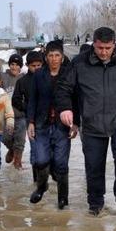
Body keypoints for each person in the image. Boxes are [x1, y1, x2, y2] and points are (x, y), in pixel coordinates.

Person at [55, 26, 116, 216]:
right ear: (93, 45)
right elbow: (64, 88)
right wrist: (66, 109)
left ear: (114, 45)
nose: (104, 52)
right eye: (99, 48)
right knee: (94, 163)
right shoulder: (80, 63)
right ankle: (96, 202)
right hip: (91, 121)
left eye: (107, 48)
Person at [27, 40, 78, 209]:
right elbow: (32, 100)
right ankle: (41, 187)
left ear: (62, 57)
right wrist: (30, 122)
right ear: (46, 57)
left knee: (61, 163)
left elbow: (76, 100)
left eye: (57, 55)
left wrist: (76, 123)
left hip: (62, 126)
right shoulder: (38, 75)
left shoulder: (70, 74)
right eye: (50, 56)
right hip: (42, 124)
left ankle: (63, 199)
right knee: (40, 160)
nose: (54, 59)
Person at [10, 51, 43, 171]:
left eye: (39, 65)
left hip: (47, 119)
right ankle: (37, 179)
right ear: (27, 65)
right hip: (31, 121)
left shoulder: (47, 78)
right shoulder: (22, 82)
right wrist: (28, 108)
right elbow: (16, 100)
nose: (36, 68)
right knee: (35, 148)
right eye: (33, 66)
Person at [1, 53, 24, 166]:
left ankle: (17, 165)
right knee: (5, 138)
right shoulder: (3, 77)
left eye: (17, 65)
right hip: (6, 115)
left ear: (21, 66)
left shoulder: (24, 78)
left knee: (20, 141)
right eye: (12, 64)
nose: (14, 67)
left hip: (21, 115)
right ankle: (11, 149)